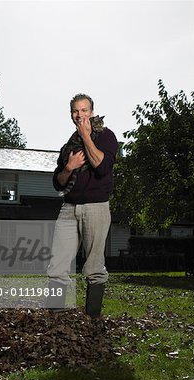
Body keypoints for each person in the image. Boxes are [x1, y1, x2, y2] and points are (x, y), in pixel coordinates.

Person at [47, 93, 118, 317]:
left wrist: (86, 137)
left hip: (96, 207)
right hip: (69, 208)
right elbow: (57, 183)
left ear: (92, 112)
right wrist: (69, 167)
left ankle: (93, 319)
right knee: (57, 266)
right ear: (71, 115)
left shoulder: (106, 136)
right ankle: (56, 317)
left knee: (94, 266)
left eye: (84, 110)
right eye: (76, 111)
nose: (80, 115)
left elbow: (101, 166)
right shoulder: (68, 145)